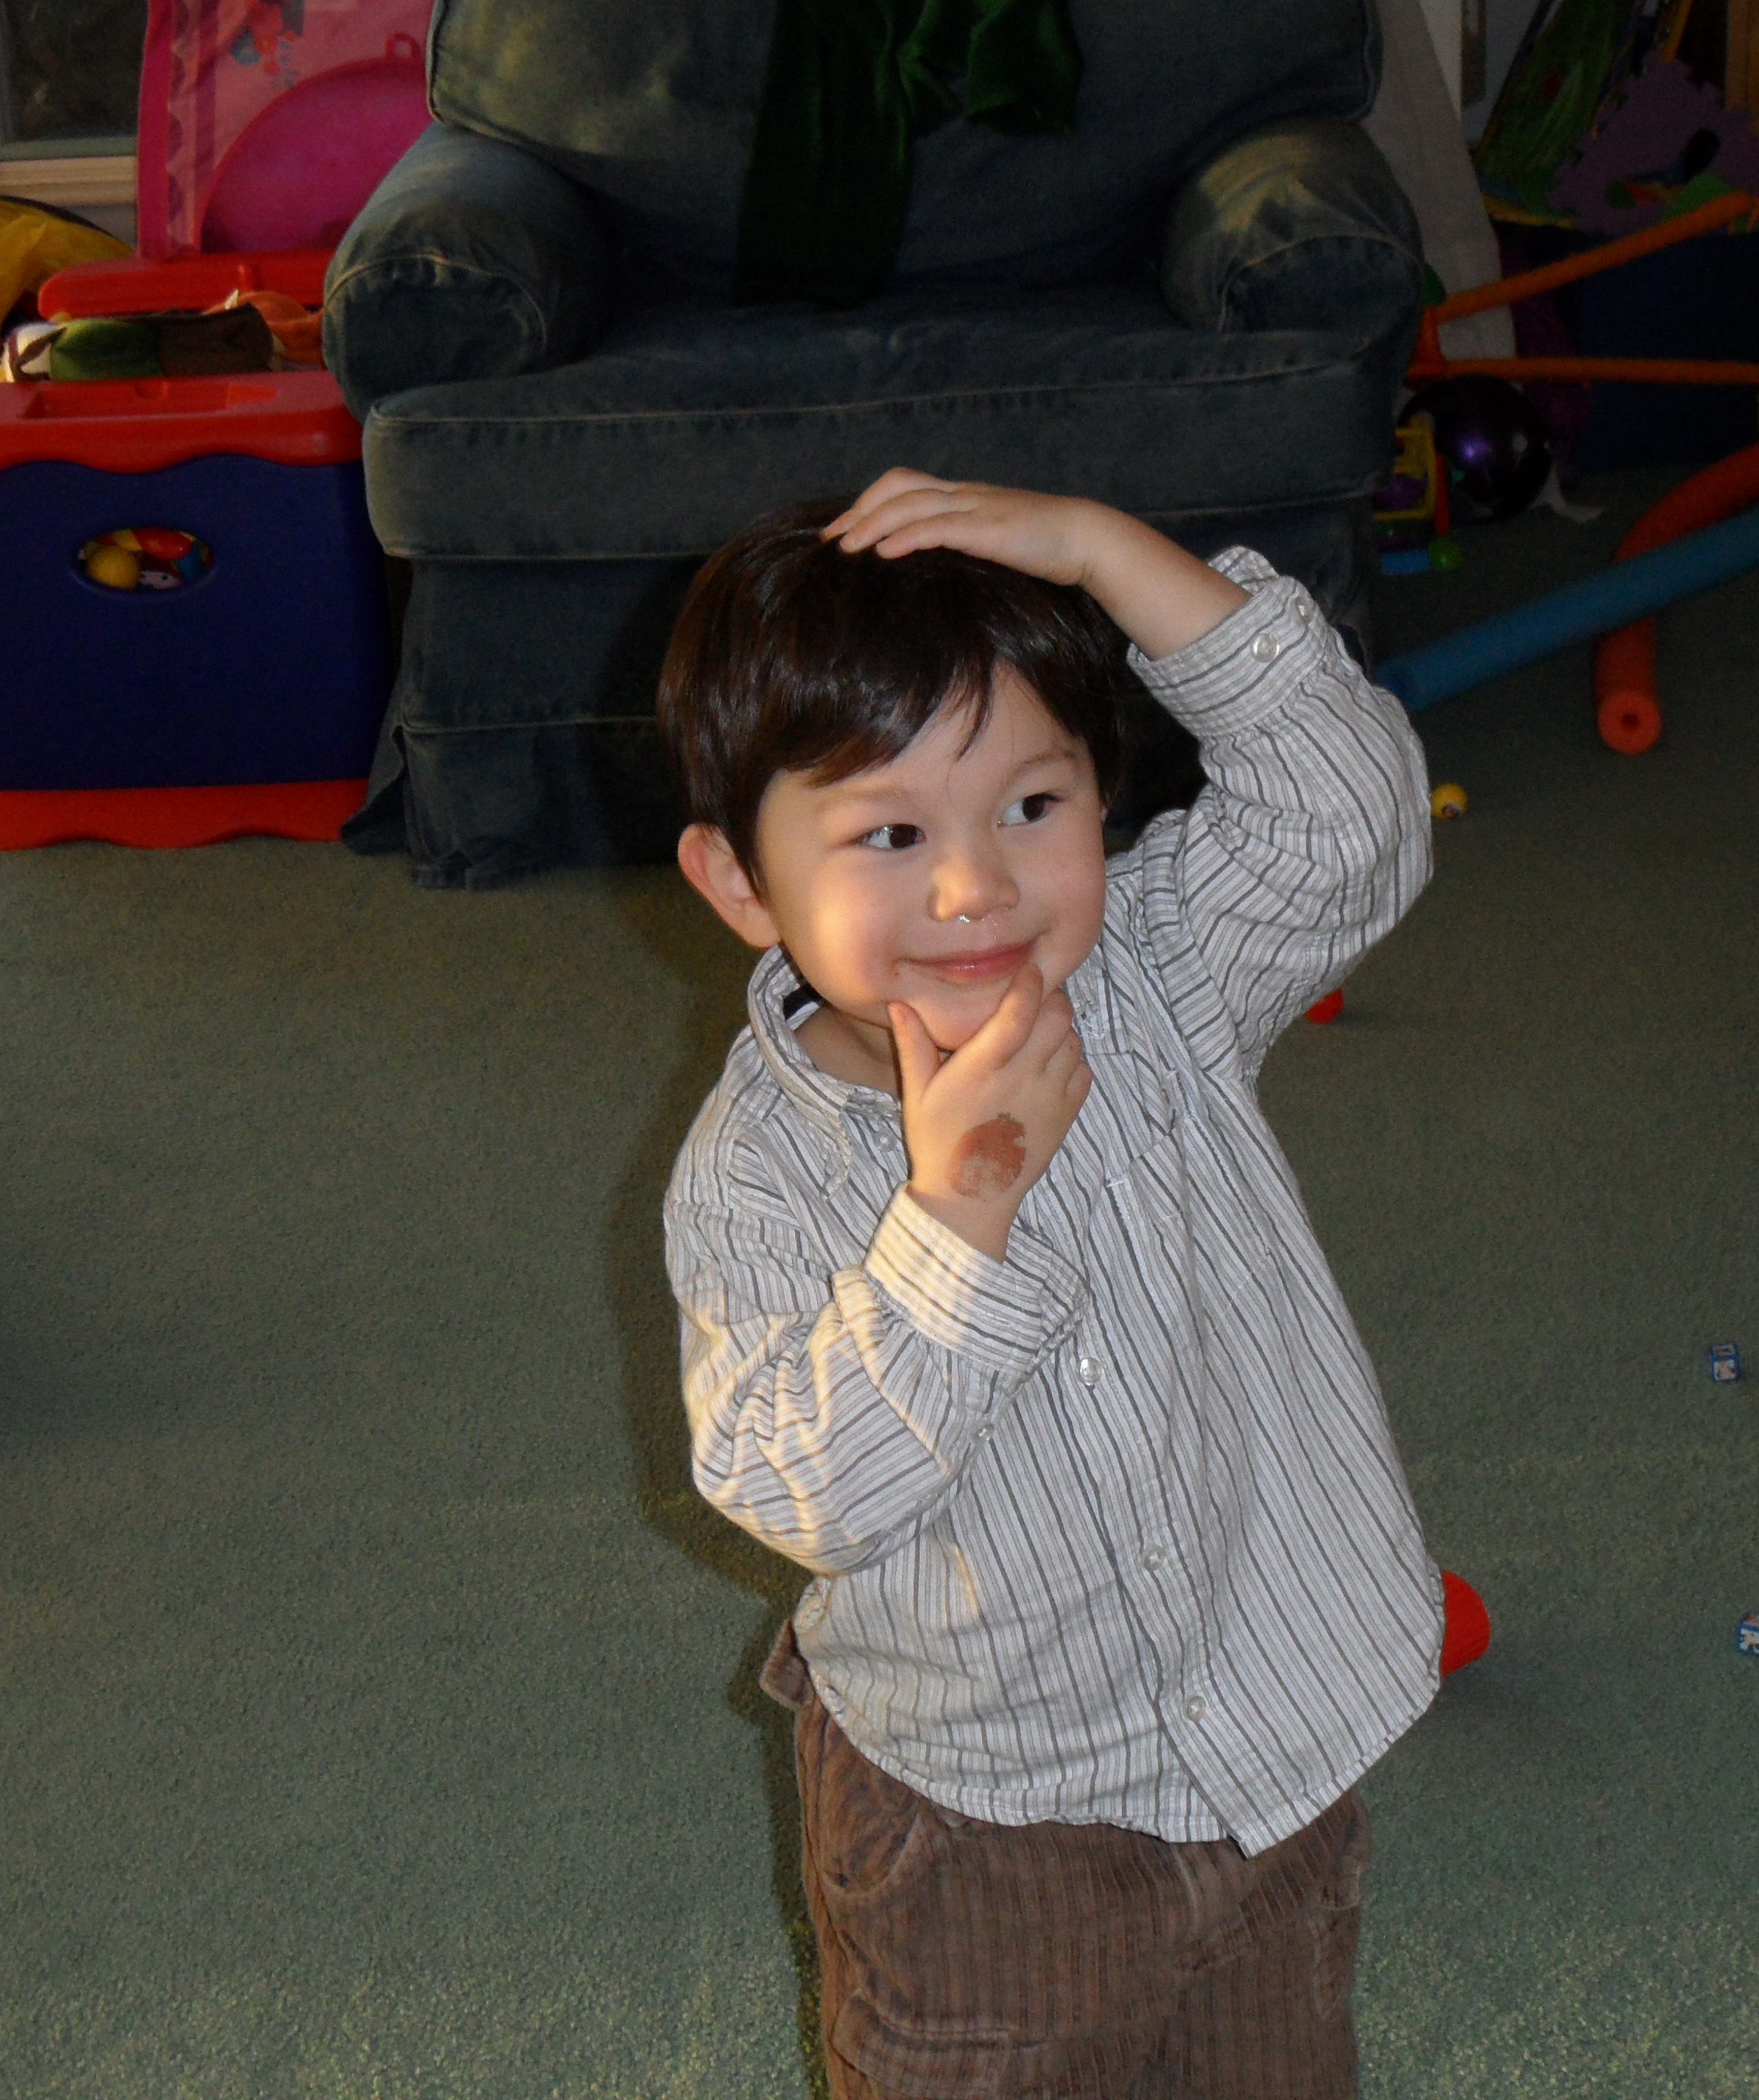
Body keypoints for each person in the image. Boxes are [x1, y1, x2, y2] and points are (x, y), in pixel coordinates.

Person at [659, 469, 1459, 2098]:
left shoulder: (1155, 969)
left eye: (1032, 806)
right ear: (740, 886)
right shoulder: (753, 1171)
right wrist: (956, 1219)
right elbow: (798, 1485)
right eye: (889, 835)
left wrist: (1106, 552)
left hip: (1270, 1732)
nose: (974, 890)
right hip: (981, 1826)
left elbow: (1350, 819)